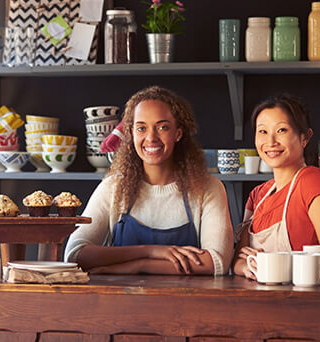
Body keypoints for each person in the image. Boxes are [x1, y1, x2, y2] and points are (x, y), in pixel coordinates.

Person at [65, 86, 234, 275]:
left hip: (186, 303)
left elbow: (216, 262)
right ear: (132, 133)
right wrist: (151, 251)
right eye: (141, 128)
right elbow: (75, 254)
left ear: (178, 133)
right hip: (119, 302)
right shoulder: (113, 187)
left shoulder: (208, 188)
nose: (151, 137)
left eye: (162, 127)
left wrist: (139, 266)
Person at [233, 94, 320, 280]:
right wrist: (246, 267)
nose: (270, 142)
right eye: (262, 131)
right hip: (257, 302)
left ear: (305, 137)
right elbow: (237, 261)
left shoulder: (311, 180)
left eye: (282, 130)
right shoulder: (258, 195)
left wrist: (269, 263)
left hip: (301, 303)